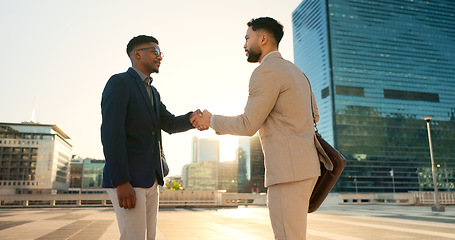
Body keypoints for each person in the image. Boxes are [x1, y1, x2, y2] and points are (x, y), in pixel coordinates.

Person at [193, 17, 320, 240]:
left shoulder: (266, 71)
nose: (244, 45)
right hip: (306, 169)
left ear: (263, 39)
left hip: (287, 173)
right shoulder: (298, 73)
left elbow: (248, 124)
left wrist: (211, 120)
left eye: (247, 38)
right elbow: (314, 116)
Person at [101, 35, 205, 240]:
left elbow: (169, 123)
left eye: (161, 53)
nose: (160, 57)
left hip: (150, 179)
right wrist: (121, 181)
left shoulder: (153, 92)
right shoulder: (119, 83)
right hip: (129, 179)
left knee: (149, 237)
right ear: (138, 54)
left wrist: (192, 118)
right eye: (155, 52)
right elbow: (111, 133)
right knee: (134, 237)